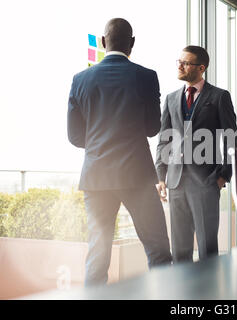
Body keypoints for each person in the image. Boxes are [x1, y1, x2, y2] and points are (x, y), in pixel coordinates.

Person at [67, 18, 172, 286]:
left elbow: (75, 136)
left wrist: (100, 145)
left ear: (103, 42)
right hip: (137, 176)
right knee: (158, 251)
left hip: (97, 178)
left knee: (98, 254)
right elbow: (152, 128)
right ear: (132, 44)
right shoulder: (146, 76)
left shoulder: (80, 80)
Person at [155, 45, 237, 263]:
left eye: (186, 63)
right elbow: (164, 138)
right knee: (180, 250)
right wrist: (160, 176)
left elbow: (231, 138)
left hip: (206, 181)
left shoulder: (219, 97)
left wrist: (223, 176)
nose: (180, 66)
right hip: (175, 181)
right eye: (179, 61)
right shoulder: (171, 98)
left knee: (207, 248)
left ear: (201, 68)